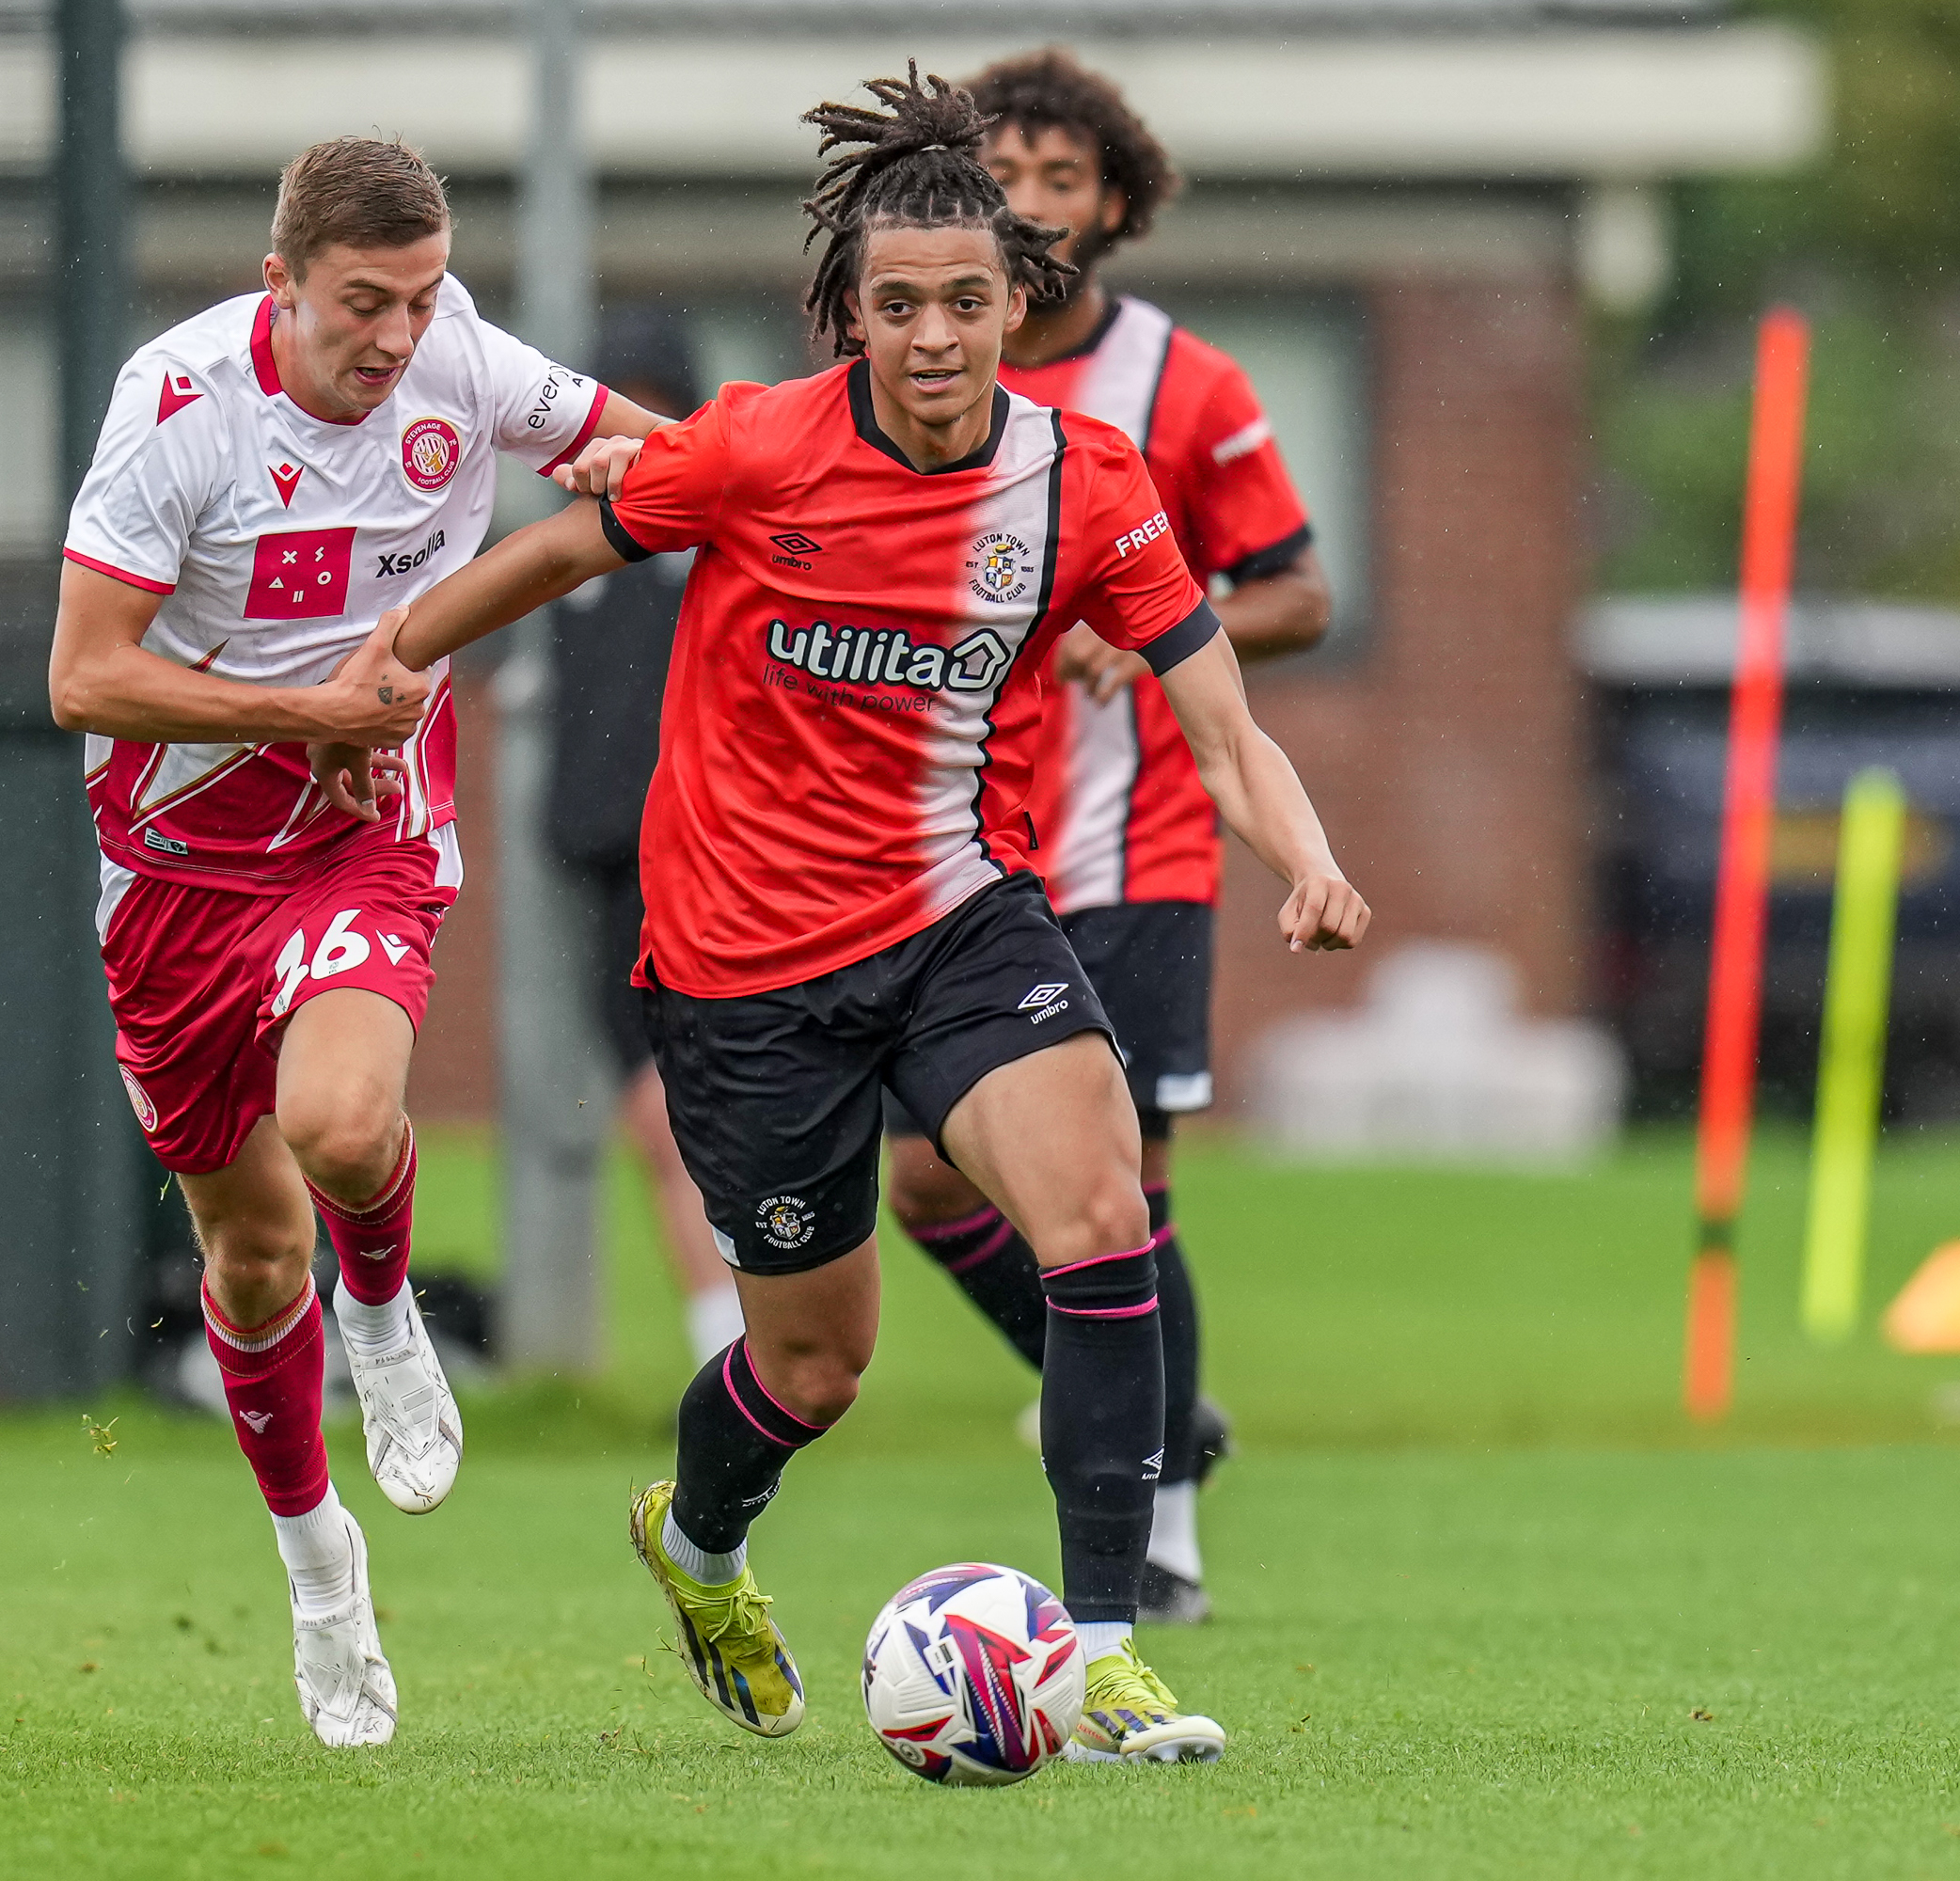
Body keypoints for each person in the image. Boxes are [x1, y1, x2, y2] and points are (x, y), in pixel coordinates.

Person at [373, 68, 1368, 1764]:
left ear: (1016, 304)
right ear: (851, 310)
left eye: (967, 303)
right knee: (815, 1368)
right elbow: (550, 559)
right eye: (898, 306)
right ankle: (697, 1551)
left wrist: (1310, 858)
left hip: (969, 928)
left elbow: (1223, 721)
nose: (932, 338)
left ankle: (1112, 1647)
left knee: (1101, 1210)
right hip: (746, 975)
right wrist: (384, 673)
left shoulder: (1089, 479)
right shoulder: (759, 444)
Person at [46, 135, 662, 1748]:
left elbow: (630, 450)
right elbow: (84, 677)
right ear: (282, 287)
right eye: (361, 305)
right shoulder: (177, 410)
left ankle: (383, 1319)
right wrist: (305, 707)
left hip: (360, 837)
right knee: (248, 1256)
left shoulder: (461, 355)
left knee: (340, 1122)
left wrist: (804, 488)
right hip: (174, 865)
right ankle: (323, 1573)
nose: (396, 338)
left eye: (422, 294)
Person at [880, 49, 1338, 1627]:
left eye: (1062, 181)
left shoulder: (1185, 387)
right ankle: (1154, 1402)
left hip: (1132, 842)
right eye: (1003, 177)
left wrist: (1152, 629)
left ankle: (1166, 1526)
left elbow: (1297, 588)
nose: (1030, 206)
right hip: (953, 858)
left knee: (1125, 1192)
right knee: (929, 1185)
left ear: (1115, 205)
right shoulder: (920, 374)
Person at [540, 305, 748, 1365]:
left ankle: (755, 1344)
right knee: (654, 1117)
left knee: (710, 1117)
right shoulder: (575, 553)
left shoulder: (716, 545)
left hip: (710, 872)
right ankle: (729, 1345)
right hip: (615, 876)